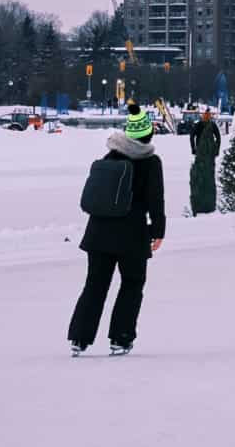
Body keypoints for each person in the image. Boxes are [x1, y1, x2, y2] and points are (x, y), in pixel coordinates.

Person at [68, 102, 166, 357]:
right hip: (131, 235)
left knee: (95, 285)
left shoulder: (109, 157)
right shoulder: (150, 162)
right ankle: (120, 338)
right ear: (148, 134)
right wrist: (158, 231)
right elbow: (156, 200)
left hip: (98, 233)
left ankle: (79, 338)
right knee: (132, 283)